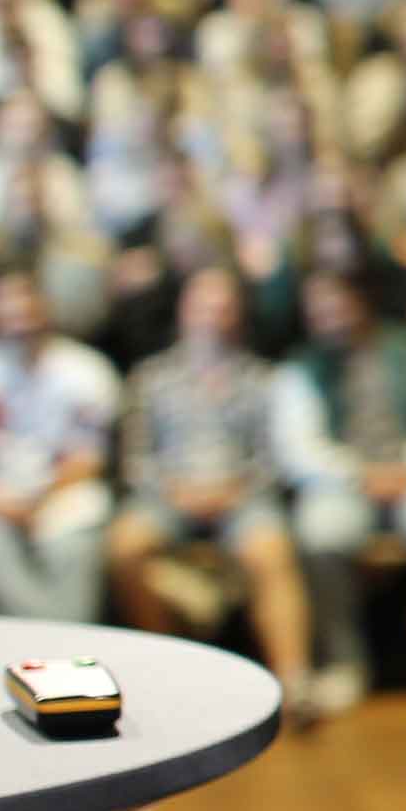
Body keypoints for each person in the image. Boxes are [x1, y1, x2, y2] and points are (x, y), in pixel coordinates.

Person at [274, 264, 406, 710]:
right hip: (344, 483)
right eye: (318, 305)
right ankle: (343, 664)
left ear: (361, 299)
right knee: (319, 535)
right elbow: (299, 450)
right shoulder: (303, 366)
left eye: (336, 301)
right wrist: (359, 474)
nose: (327, 313)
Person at [107, 265, 318, 708]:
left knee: (271, 551)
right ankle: (163, 668)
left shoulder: (263, 379)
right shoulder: (151, 378)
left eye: (223, 307)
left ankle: (295, 681)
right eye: (204, 305)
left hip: (242, 495)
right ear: (184, 310)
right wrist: (176, 491)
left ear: (238, 315)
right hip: (168, 494)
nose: (212, 316)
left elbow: (273, 459)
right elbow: (136, 459)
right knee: (125, 547)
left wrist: (232, 492)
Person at [0, 268, 120, 620]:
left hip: (61, 495)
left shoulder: (87, 370)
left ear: (45, 305)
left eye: (27, 302)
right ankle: (60, 637)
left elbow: (89, 458)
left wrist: (41, 502)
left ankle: (58, 637)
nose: (20, 316)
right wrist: (4, 507)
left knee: (75, 541)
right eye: (8, 306)